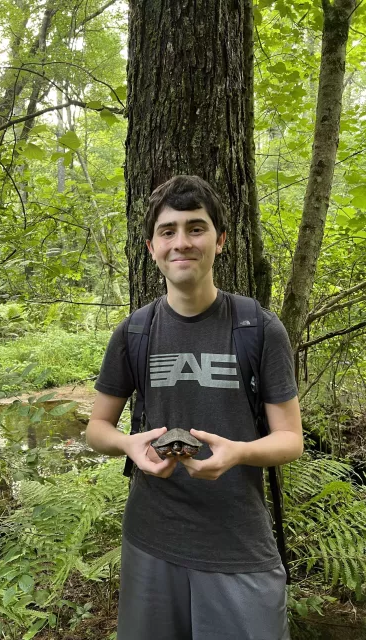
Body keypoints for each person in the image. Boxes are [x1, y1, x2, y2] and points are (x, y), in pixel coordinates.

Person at [86, 175, 303, 640]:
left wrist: (239, 453)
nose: (181, 243)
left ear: (220, 240)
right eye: (168, 231)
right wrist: (128, 444)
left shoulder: (258, 328)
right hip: (151, 540)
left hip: (238, 543)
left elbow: (290, 438)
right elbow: (97, 428)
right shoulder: (134, 333)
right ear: (151, 247)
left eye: (195, 228)